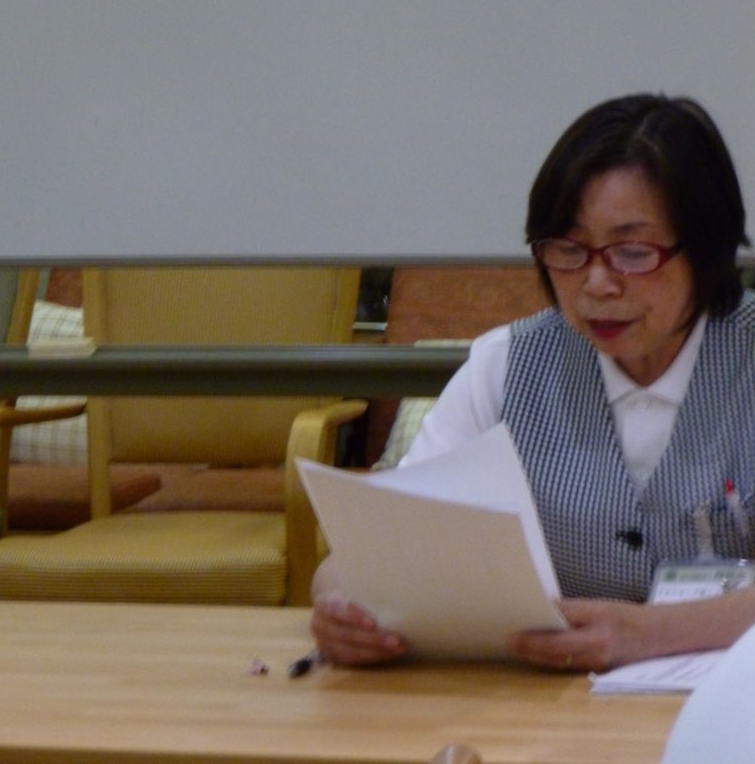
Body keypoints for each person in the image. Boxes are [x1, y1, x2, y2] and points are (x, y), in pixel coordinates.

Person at [311, 93, 755, 672]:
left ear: (708, 248)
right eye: (568, 250)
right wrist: (338, 606)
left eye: (631, 252)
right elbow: (374, 552)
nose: (596, 283)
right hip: (545, 705)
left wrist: (651, 633)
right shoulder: (507, 365)